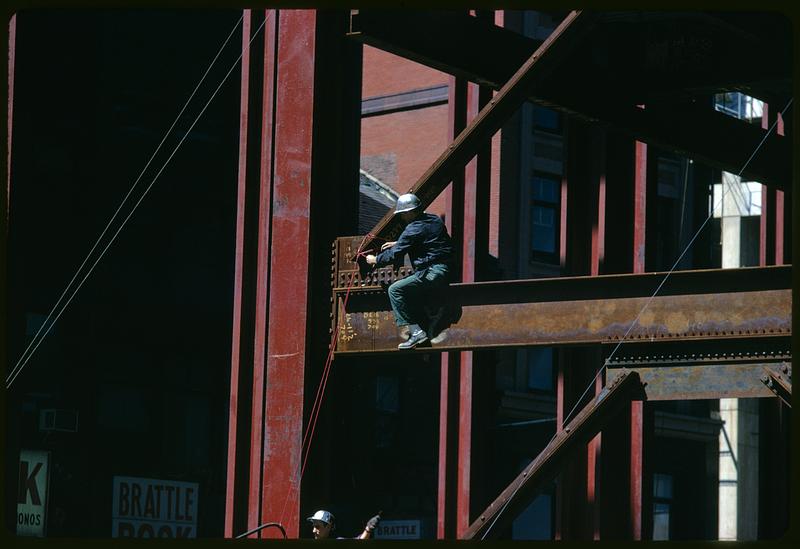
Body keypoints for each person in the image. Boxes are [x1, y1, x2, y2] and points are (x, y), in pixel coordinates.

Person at [365, 193, 453, 349]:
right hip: (443, 271)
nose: (402, 218)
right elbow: (426, 239)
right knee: (411, 289)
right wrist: (399, 242)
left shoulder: (413, 228)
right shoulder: (434, 220)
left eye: (403, 214)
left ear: (410, 212)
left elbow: (394, 255)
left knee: (395, 290)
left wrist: (375, 260)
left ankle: (416, 332)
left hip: (431, 273)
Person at [307, 509, 381, 540]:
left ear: (328, 527)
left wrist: (368, 529)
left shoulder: (338, 544)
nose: (313, 531)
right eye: (313, 526)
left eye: (317, 527)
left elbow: (359, 542)